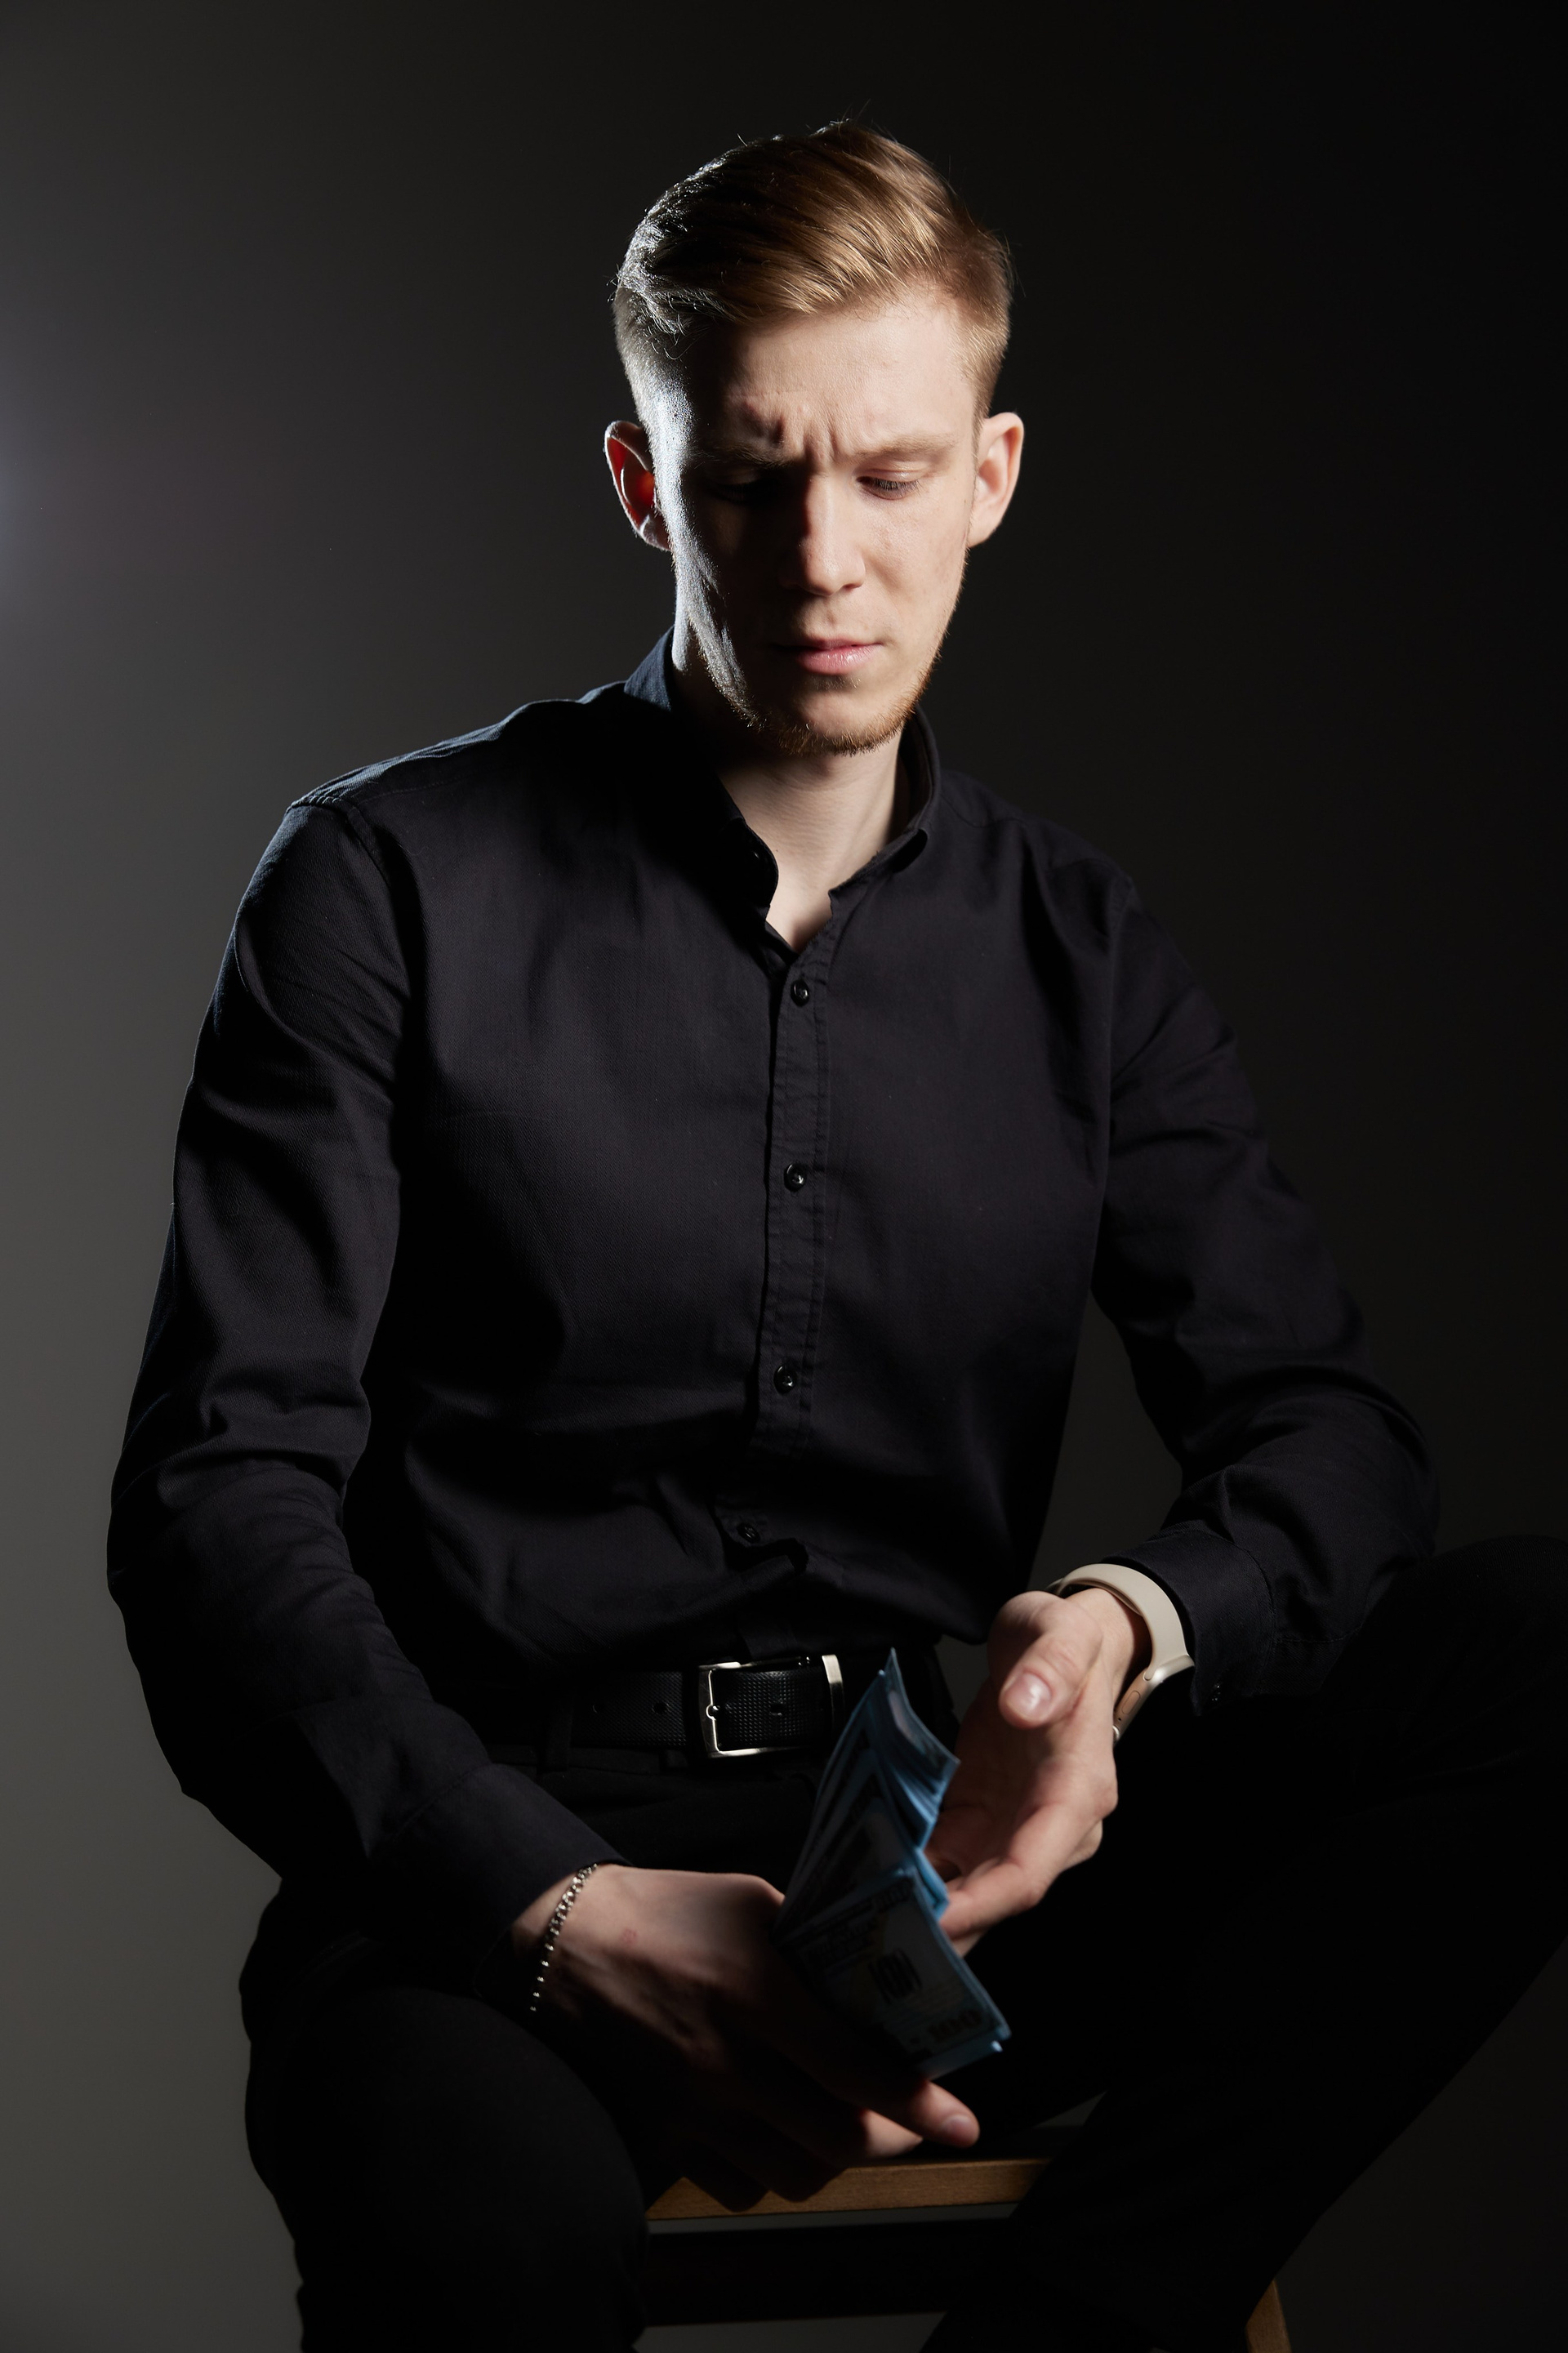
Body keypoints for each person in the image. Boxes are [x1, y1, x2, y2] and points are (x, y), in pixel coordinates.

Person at [108, 122, 1568, 2353]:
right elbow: (216, 1510)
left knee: (1542, 1650)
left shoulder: (1084, 947)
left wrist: (1115, 1638)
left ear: (991, 474)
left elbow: (1334, 1439)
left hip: (954, 1868)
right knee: (476, 2240)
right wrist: (549, 1904)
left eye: (889, 476)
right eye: (752, 481)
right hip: (493, 1882)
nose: (823, 561)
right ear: (642, 482)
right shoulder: (381, 885)